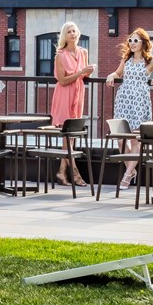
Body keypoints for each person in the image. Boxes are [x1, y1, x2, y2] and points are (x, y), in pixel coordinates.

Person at [105, 28, 153, 188]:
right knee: (120, 138)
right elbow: (118, 73)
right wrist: (111, 75)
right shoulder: (126, 59)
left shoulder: (151, 61)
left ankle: (127, 175)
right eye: (130, 40)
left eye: (136, 40)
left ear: (143, 43)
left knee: (135, 138)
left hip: (139, 102)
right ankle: (131, 169)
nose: (132, 43)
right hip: (123, 100)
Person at [48, 21, 95, 187]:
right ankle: (74, 173)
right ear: (64, 36)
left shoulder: (83, 52)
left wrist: (88, 71)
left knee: (71, 134)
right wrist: (81, 72)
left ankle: (62, 171)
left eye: (74, 30)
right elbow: (62, 80)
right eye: (69, 32)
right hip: (64, 94)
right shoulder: (60, 55)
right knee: (68, 133)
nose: (72, 34)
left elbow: (83, 76)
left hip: (78, 93)